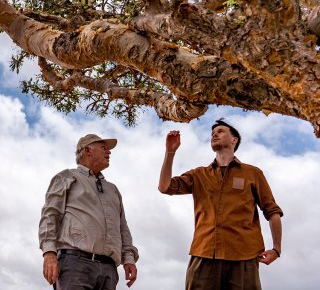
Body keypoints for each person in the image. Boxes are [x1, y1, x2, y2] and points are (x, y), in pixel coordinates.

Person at [158, 118, 283, 290]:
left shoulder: (253, 173)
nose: (214, 134)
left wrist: (276, 249)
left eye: (220, 131)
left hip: (244, 257)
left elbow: (272, 211)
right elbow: (164, 187)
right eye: (212, 133)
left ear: (234, 140)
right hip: (204, 254)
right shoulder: (199, 174)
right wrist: (170, 152)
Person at [39, 134, 139, 290]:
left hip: (109, 270)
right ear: (87, 150)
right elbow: (50, 215)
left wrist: (129, 259)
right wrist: (49, 252)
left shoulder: (113, 190)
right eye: (104, 148)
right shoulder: (66, 177)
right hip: (75, 265)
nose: (109, 152)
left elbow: (123, 228)